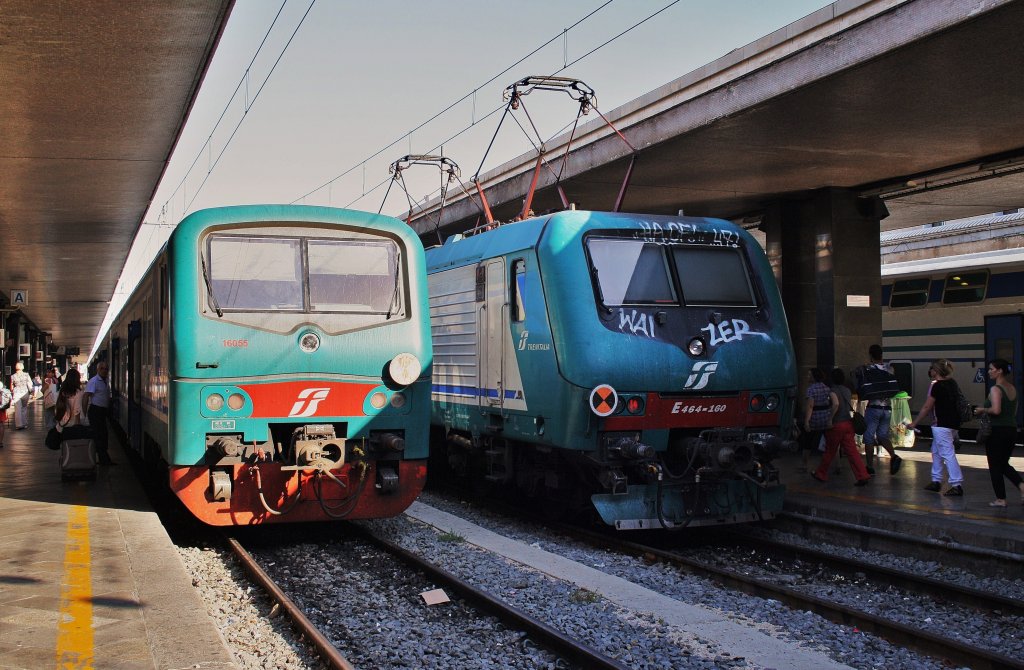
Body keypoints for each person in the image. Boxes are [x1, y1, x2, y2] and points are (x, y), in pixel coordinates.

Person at [908, 358, 964, 496]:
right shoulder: (952, 383)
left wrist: (915, 422)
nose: (930, 371)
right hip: (953, 424)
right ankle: (936, 480)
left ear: (936, 371)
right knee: (936, 451)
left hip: (941, 425)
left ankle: (956, 484)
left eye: (932, 368)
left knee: (947, 453)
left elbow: (928, 406)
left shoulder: (936, 386)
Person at [974, 358, 1022, 507]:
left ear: (1000, 370)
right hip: (1011, 429)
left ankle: (1001, 499)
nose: (988, 372)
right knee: (1003, 463)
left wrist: (982, 410)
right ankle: (1022, 487)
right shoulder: (1013, 388)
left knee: (995, 465)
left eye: (991, 369)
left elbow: (996, 410)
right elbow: (1013, 411)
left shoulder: (996, 389)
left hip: (997, 431)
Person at [813, 367, 871, 486]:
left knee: (830, 451)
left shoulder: (832, 391)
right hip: (848, 424)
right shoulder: (847, 390)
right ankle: (862, 475)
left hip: (837, 425)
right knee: (852, 452)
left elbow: (835, 404)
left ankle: (821, 473)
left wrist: (830, 419)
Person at [859, 345, 903, 475]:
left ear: (871, 355)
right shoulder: (890, 369)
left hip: (874, 408)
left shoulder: (868, 369)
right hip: (887, 408)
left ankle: (869, 467)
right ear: (881, 355)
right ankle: (894, 456)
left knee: (868, 437)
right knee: (882, 435)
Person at [799, 368, 831, 472]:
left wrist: (807, 421)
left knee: (807, 442)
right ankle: (833, 465)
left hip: (814, 418)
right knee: (829, 442)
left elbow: (810, 406)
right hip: (825, 418)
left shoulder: (811, 389)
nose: (807, 377)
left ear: (814, 377)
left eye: (809, 375)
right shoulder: (827, 388)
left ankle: (804, 465)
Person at [83, 361, 114, 465]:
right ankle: (104, 459)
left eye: (106, 369)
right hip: (96, 411)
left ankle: (103, 458)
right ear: (98, 370)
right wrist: (84, 414)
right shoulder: (94, 381)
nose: (104, 371)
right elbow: (86, 396)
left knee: (103, 435)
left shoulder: (105, 381)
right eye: (102, 369)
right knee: (98, 435)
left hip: (102, 412)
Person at [54, 368, 89, 438]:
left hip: (62, 425)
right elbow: (77, 411)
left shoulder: (62, 391)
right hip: (73, 426)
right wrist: (78, 429)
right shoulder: (78, 393)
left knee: (65, 447)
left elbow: (57, 407)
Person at [10, 361, 32, 430]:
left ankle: (19, 425)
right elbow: (30, 384)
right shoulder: (26, 375)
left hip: (17, 393)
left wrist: (12, 392)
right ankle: (24, 423)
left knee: (17, 409)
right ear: (22, 367)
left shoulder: (13, 376)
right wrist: (30, 391)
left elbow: (11, 387)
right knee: (24, 408)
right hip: (25, 392)